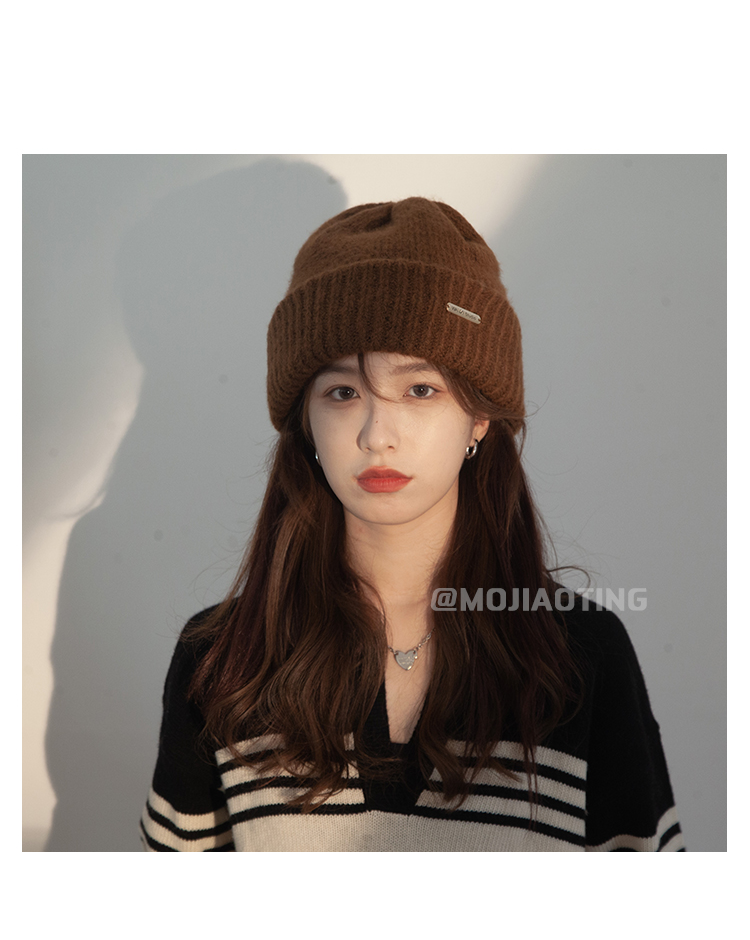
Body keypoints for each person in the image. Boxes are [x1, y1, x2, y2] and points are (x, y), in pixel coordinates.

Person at [140, 197, 684, 852]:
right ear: (305, 422)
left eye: (420, 389)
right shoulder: (226, 661)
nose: (377, 435)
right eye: (343, 393)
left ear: (479, 417)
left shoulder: (579, 658)